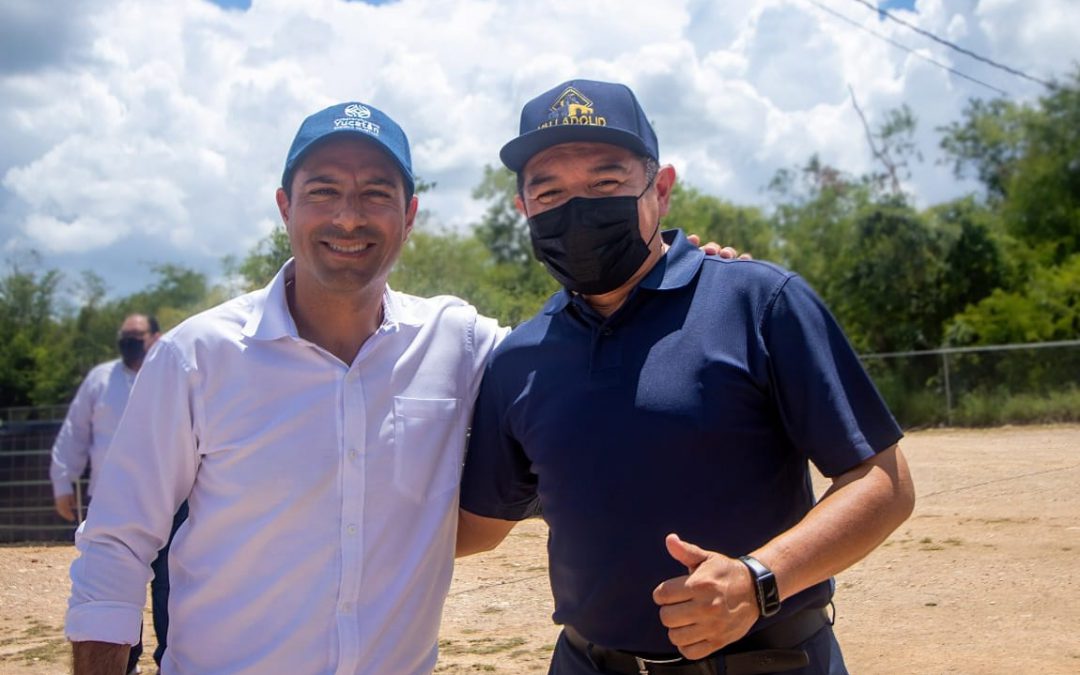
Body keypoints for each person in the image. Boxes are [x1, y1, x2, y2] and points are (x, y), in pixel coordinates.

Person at [457, 79, 916, 675]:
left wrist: (759, 581)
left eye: (606, 182)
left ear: (661, 188)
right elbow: (477, 528)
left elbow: (883, 482)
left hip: (765, 662)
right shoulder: (517, 358)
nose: (579, 209)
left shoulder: (760, 303)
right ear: (523, 208)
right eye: (550, 192)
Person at [64, 101, 510, 675]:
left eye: (376, 193)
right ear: (284, 207)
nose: (348, 218)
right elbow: (117, 543)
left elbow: (572, 370)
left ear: (411, 215)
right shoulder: (197, 357)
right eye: (322, 191)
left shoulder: (460, 343)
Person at [50, 313, 165, 675]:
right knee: (112, 589)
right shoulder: (101, 380)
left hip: (173, 501)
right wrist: (62, 482)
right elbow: (75, 431)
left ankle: (172, 660)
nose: (129, 341)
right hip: (111, 504)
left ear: (155, 336)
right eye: (125, 336)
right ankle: (125, 663)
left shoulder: (174, 374)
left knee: (171, 586)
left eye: (136, 335)